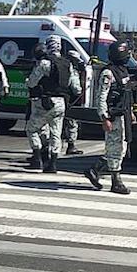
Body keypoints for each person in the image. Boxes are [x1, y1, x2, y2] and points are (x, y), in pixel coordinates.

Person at [25, 35, 80, 173]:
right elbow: (76, 88)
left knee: (32, 129)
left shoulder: (45, 63)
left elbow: (32, 82)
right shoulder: (68, 64)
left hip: (44, 101)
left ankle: (37, 157)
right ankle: (53, 164)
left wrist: (28, 82)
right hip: (61, 102)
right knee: (56, 132)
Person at [85, 41, 134, 195]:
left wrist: (130, 111)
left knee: (120, 148)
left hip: (123, 115)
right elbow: (101, 97)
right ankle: (116, 182)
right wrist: (104, 117)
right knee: (116, 149)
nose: (128, 56)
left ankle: (94, 169)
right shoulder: (108, 73)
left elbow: (126, 93)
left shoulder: (123, 71)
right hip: (113, 116)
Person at [61, 49, 88, 156]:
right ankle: (71, 146)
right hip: (70, 101)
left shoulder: (61, 67)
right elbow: (76, 89)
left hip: (58, 99)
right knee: (72, 124)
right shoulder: (72, 71)